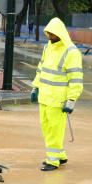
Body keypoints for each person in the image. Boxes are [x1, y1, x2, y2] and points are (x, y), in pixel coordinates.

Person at [30, 17, 83, 171]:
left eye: (52, 34)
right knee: (46, 127)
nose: (50, 36)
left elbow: (76, 78)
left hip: (58, 99)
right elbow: (41, 69)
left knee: (55, 130)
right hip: (45, 97)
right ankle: (60, 155)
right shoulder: (48, 47)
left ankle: (52, 161)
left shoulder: (71, 52)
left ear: (60, 33)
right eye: (48, 33)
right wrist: (35, 87)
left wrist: (71, 99)